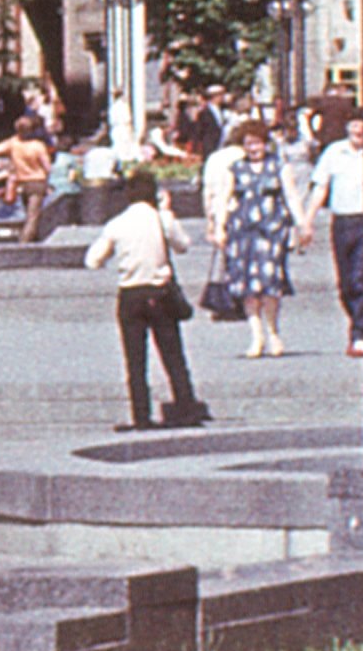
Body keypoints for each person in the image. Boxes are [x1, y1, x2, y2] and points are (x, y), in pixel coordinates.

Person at [84, 167, 207, 429]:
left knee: (135, 360)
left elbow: (93, 260)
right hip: (160, 293)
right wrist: (167, 211)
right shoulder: (163, 219)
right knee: (173, 356)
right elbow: (183, 246)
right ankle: (186, 408)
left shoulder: (117, 223)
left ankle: (141, 415)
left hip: (130, 295)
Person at [207, 116, 298, 359]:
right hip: (243, 231)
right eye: (248, 144)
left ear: (265, 144)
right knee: (248, 287)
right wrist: (219, 227)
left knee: (270, 284)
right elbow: (223, 199)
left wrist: (301, 225)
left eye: (257, 143)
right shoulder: (235, 169)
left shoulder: (279, 167)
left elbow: (291, 196)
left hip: (272, 231)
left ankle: (273, 333)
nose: (253, 149)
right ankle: (256, 336)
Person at [303, 113, 363, 357]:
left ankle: (360, 334)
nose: (359, 129)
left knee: (360, 277)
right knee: (345, 283)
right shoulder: (335, 152)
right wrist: (307, 221)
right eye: (354, 124)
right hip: (342, 221)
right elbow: (321, 186)